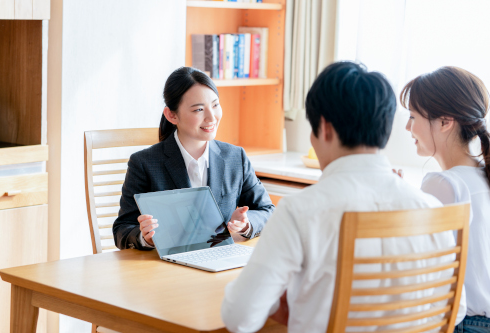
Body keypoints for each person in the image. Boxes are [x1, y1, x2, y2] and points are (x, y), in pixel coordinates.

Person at [221, 61, 466, 332]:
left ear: (324, 128)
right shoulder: (432, 209)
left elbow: (239, 318)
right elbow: (456, 311)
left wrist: (286, 303)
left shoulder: (300, 211)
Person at [113, 67, 275, 250]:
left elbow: (267, 211)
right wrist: (146, 238)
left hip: (220, 261)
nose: (211, 117)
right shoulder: (144, 163)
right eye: (199, 109)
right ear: (171, 115)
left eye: (215, 105)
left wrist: (245, 224)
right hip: (168, 269)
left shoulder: (235, 157)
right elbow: (122, 230)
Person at [400, 66, 490, 332]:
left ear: (444, 122)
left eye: (413, 116)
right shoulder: (481, 176)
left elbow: (415, 265)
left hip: (464, 324)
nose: (407, 127)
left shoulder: (443, 184)